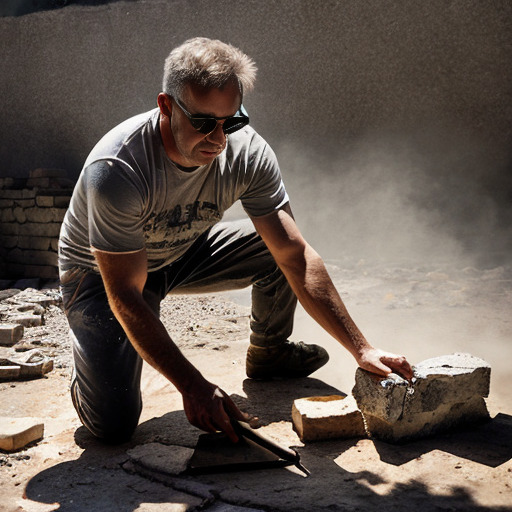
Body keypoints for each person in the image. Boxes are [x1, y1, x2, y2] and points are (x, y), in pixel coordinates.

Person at [58, 37, 412, 445]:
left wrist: (361, 348)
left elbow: (295, 257)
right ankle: (89, 365)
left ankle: (269, 353)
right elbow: (124, 294)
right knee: (112, 427)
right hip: (103, 276)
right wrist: (193, 385)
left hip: (182, 251)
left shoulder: (247, 152)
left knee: (277, 249)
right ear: (167, 107)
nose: (219, 139)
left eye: (233, 121)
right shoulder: (118, 169)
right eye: (204, 122)